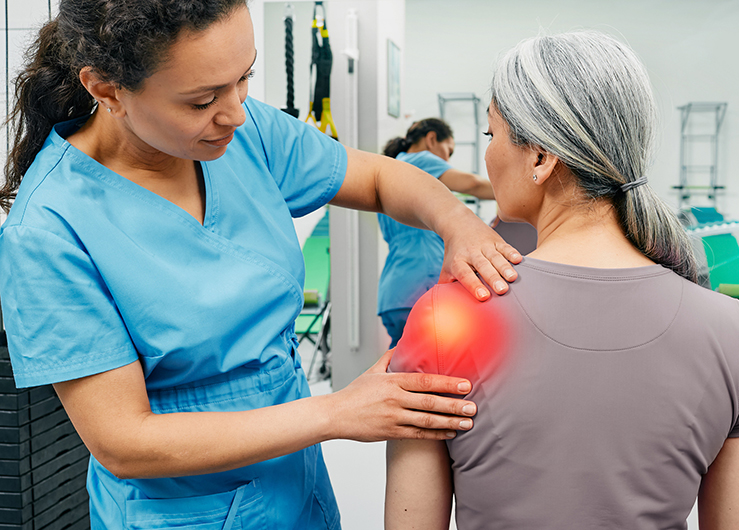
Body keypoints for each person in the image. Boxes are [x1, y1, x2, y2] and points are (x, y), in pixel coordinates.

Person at [0, 2, 524, 528]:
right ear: (107, 90)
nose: (236, 112)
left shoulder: (245, 134)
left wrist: (459, 224)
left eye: (244, 76)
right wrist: (335, 413)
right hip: (186, 509)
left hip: (296, 484)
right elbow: (124, 442)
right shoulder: (49, 230)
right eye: (203, 99)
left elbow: (381, 179)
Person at [386, 31, 739, 530]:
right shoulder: (732, 331)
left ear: (541, 158)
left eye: (491, 135)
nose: (486, 154)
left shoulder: (447, 318)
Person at [379, 119, 496, 347]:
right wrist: (522, 192)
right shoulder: (419, 160)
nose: (447, 160)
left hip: (393, 294)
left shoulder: (388, 171)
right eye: (448, 151)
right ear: (432, 139)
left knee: (401, 372)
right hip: (421, 286)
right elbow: (472, 184)